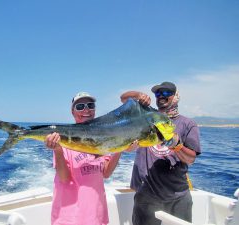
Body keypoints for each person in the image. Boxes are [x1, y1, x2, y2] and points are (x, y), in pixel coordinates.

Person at [120, 82, 201, 225]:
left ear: (176, 97)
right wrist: (138, 95)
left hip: (178, 197)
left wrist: (177, 146)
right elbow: (124, 98)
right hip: (146, 195)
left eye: (166, 93)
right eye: (158, 93)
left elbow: (191, 159)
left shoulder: (188, 124)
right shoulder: (146, 115)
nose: (161, 96)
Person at [45, 91, 121, 225]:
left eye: (90, 105)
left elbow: (106, 173)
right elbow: (64, 178)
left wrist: (120, 147)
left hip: (97, 217)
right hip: (70, 219)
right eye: (80, 107)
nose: (86, 109)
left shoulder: (103, 138)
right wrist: (57, 150)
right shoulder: (64, 139)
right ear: (72, 112)